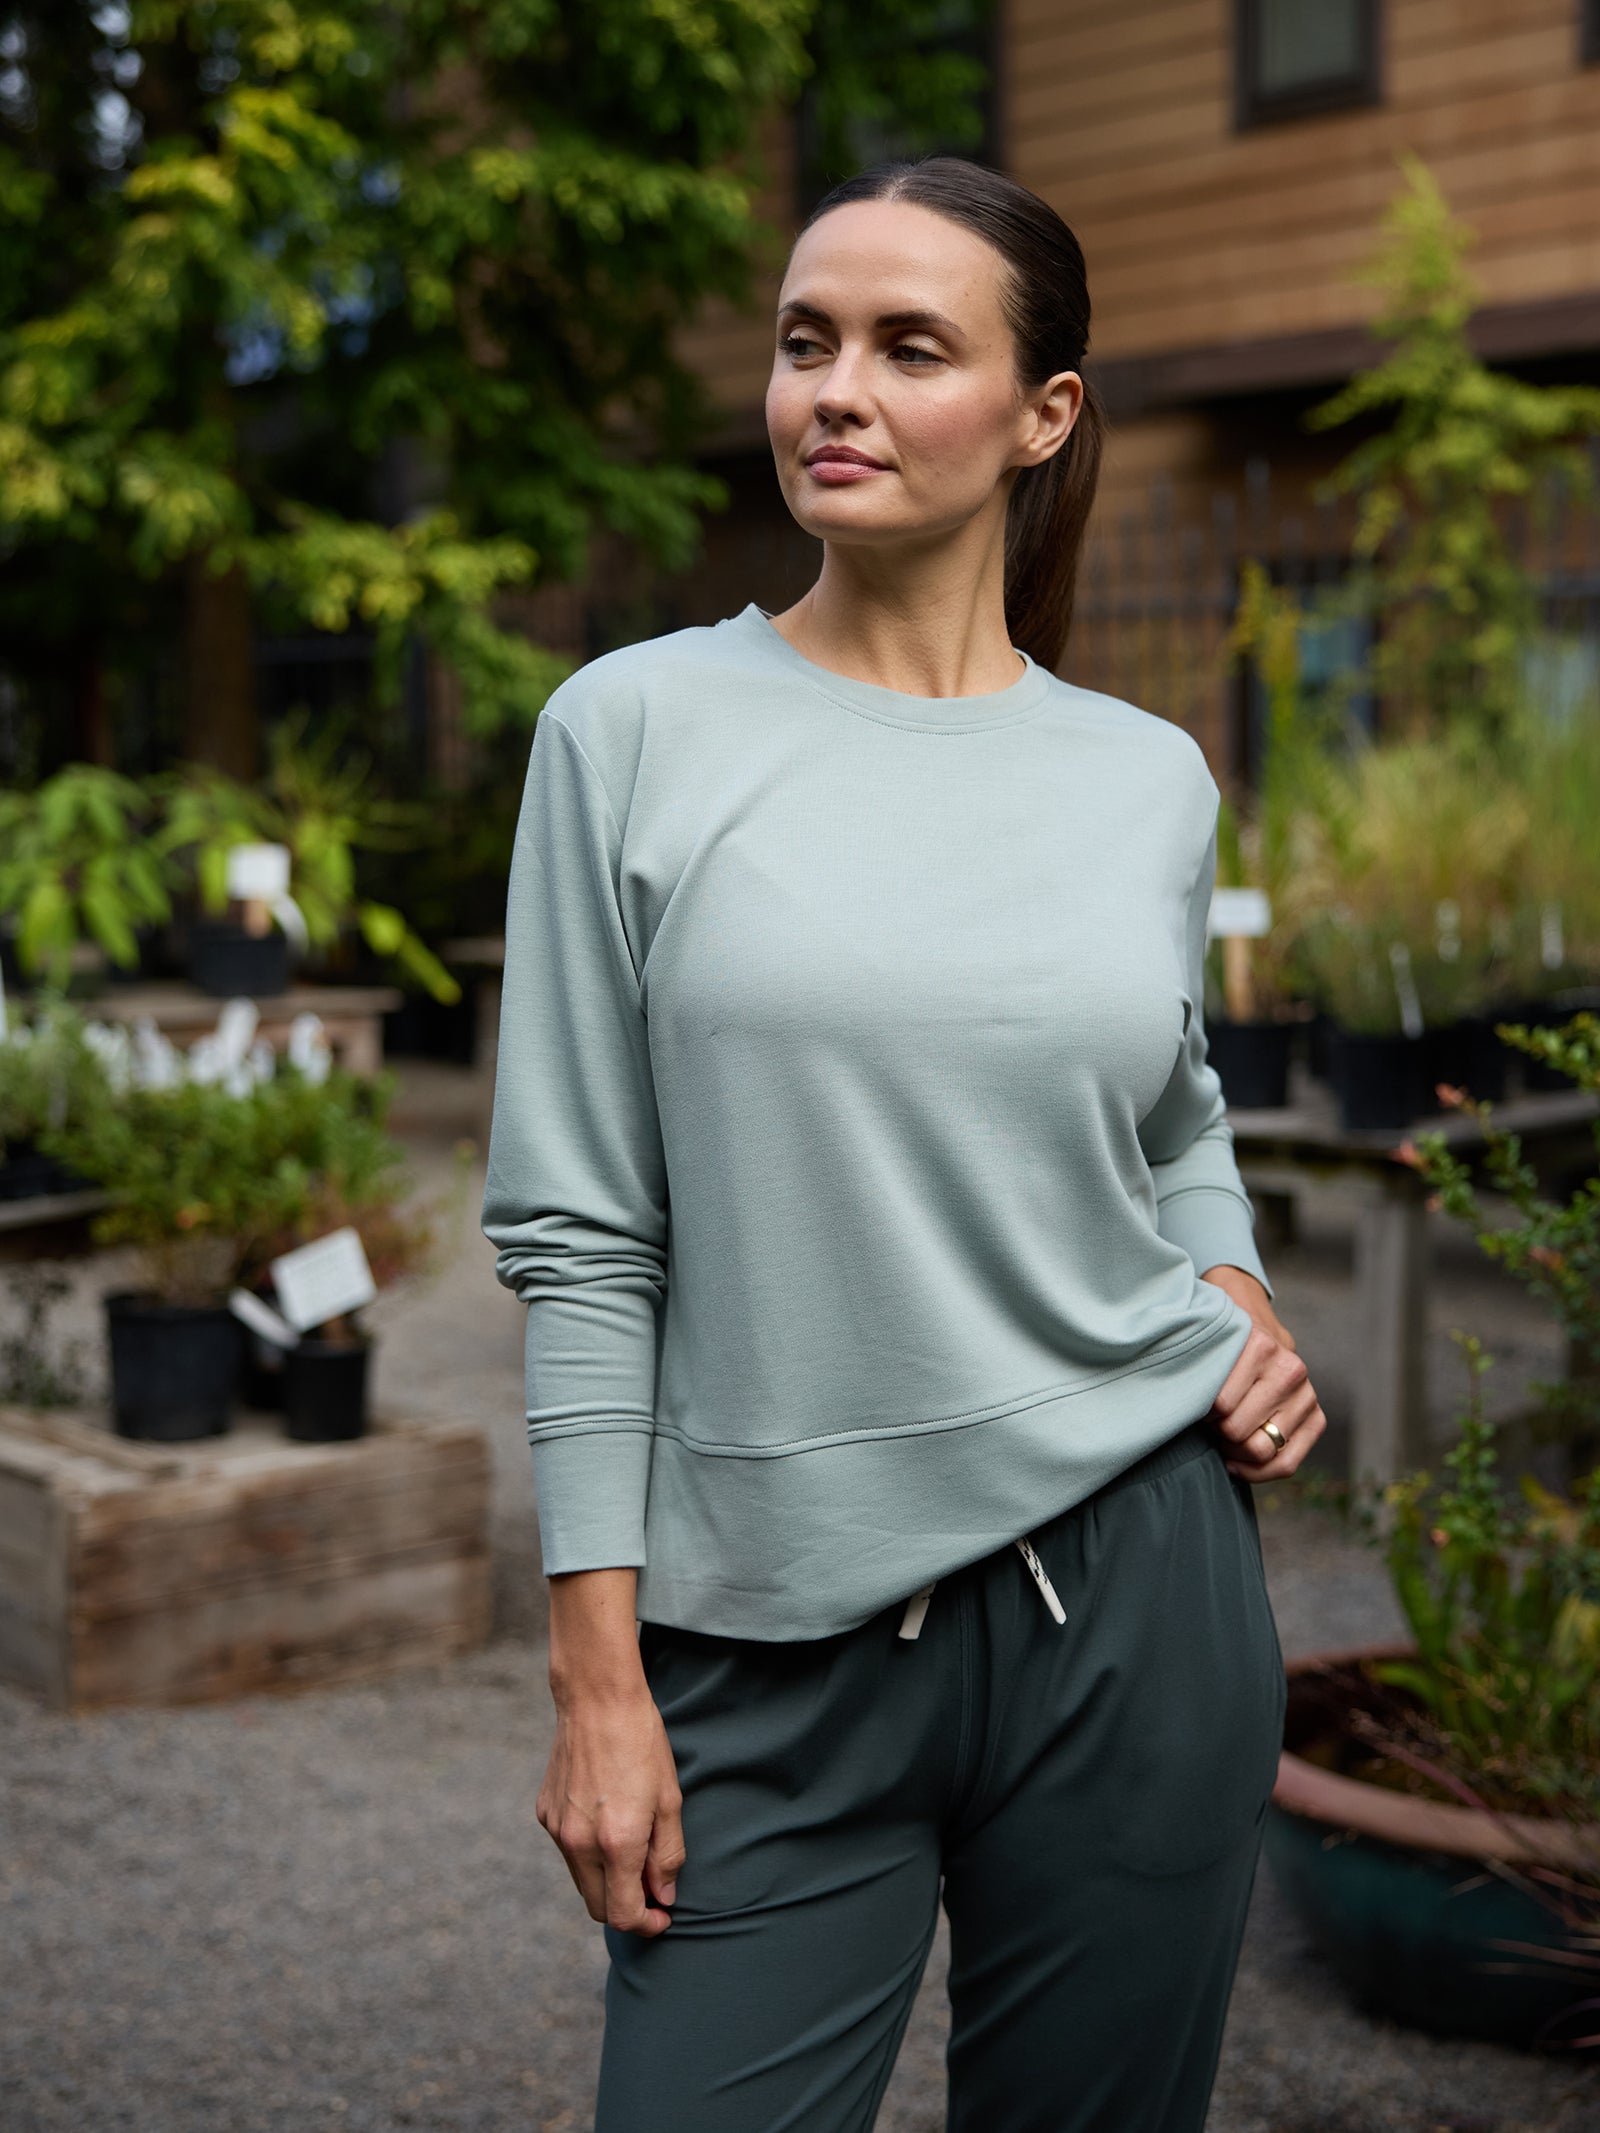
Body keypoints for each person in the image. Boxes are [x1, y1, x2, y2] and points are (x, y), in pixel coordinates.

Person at [481, 154, 1326, 2133]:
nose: (827, 390)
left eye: (902, 345)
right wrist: (595, 1681)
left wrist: (1228, 1278)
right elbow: (582, 1236)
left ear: (1040, 414)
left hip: (1138, 1595)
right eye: (803, 342)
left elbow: (1171, 1100)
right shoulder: (630, 730)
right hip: (765, 1636)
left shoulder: (1140, 775)